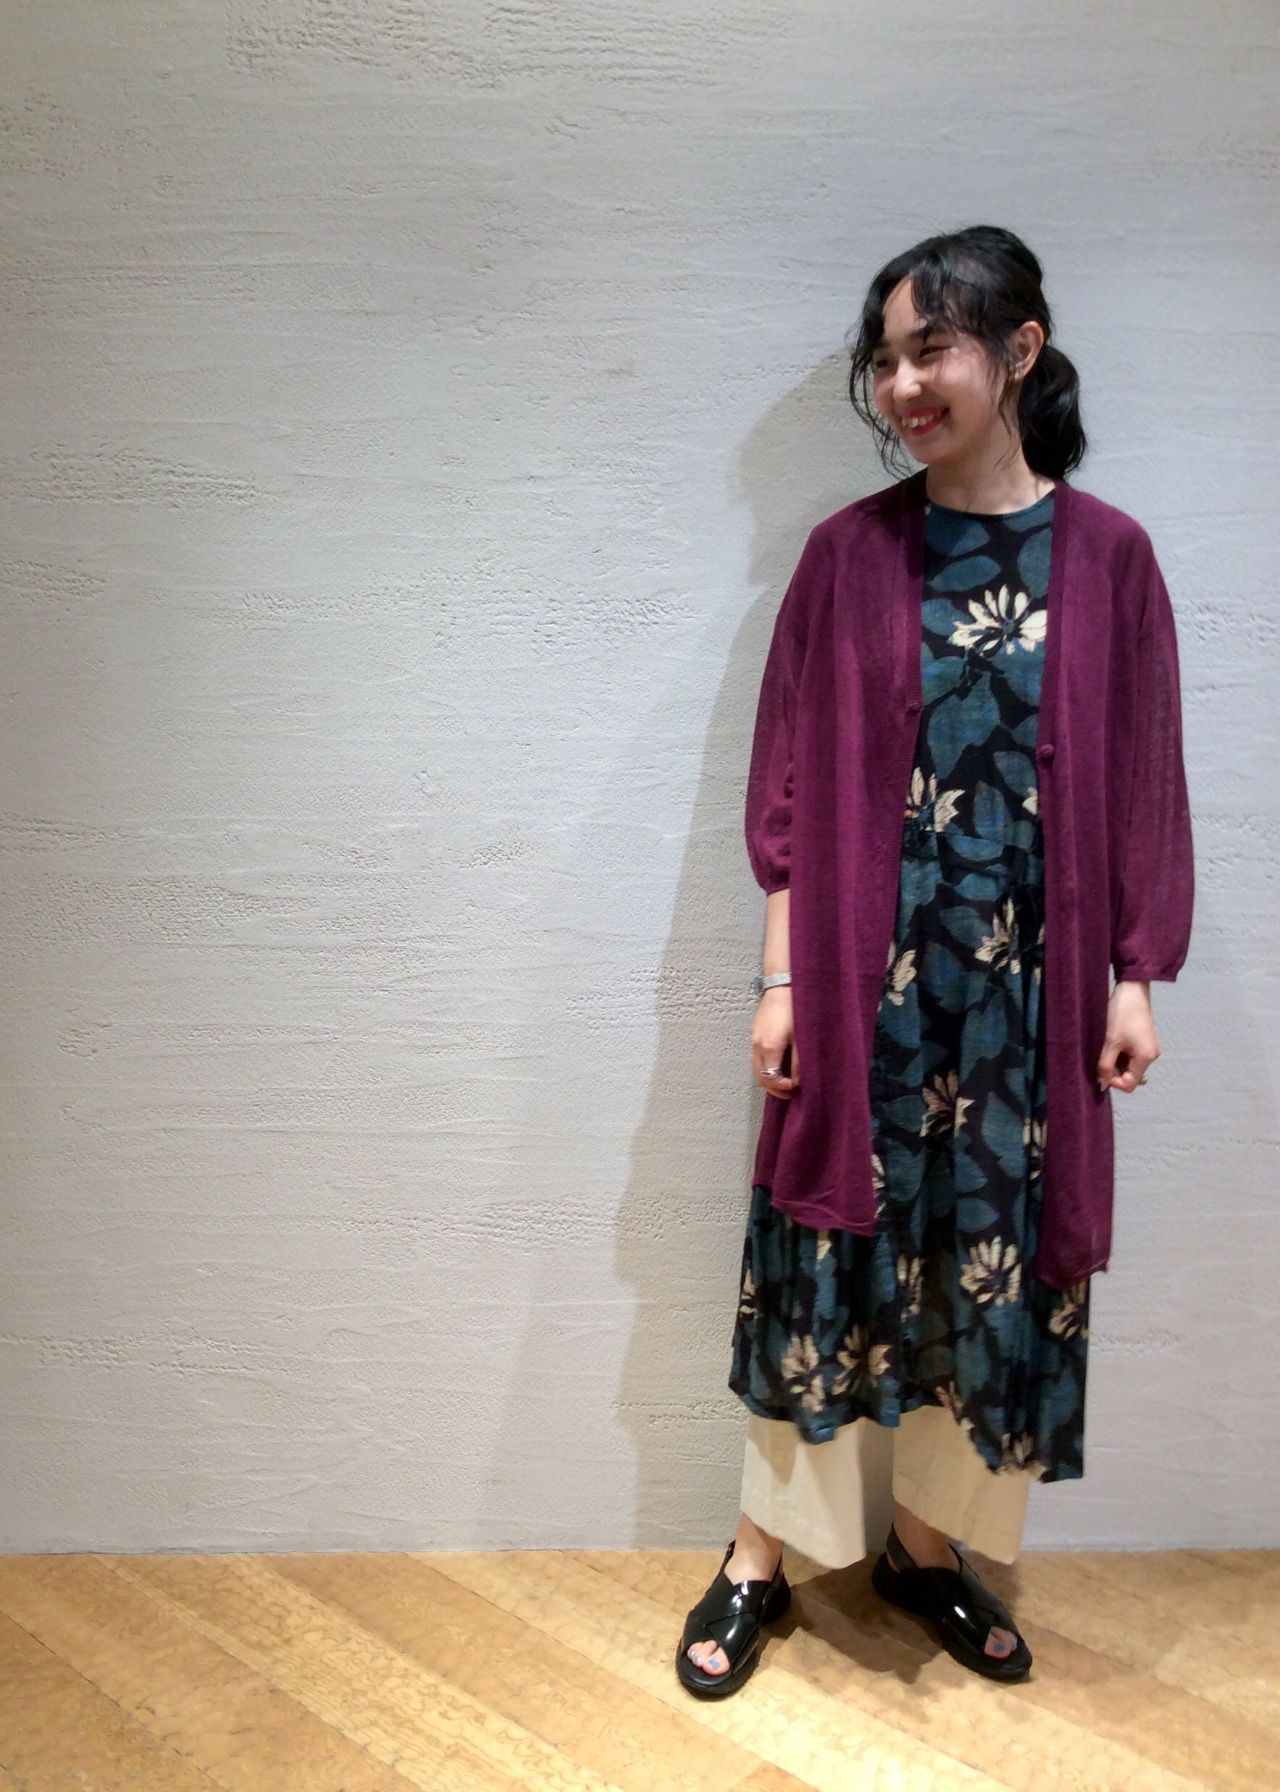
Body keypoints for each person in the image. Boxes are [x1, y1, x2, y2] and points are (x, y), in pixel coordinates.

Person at [675, 225, 1194, 1697]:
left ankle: (921, 1544)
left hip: (1029, 1002)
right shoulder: (849, 558)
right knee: (821, 1253)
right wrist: (783, 982)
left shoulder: (1112, 560)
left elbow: (1145, 779)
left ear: (1019, 351)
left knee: (996, 1266)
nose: (905, 384)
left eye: (933, 349)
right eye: (887, 359)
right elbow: (788, 790)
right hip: (862, 988)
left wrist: (1134, 973)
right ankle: (760, 1558)